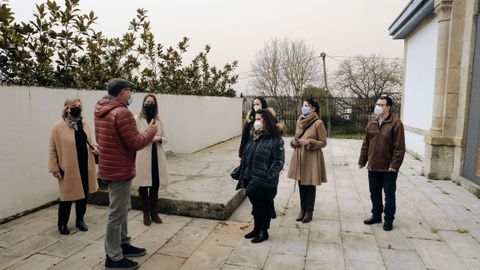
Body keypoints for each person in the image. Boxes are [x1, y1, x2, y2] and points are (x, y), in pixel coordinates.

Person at [95, 78, 158, 270]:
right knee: (117, 214)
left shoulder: (101, 110)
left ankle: (123, 244)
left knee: (122, 210)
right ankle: (113, 258)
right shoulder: (122, 113)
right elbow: (136, 142)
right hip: (120, 169)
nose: (131, 95)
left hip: (110, 167)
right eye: (129, 91)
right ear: (122, 92)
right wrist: (151, 129)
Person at [48, 98, 99, 235]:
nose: (77, 108)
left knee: (83, 195)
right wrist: (54, 168)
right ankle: (62, 223)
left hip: (85, 165)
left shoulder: (84, 124)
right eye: (74, 106)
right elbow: (52, 149)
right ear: (66, 108)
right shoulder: (57, 127)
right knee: (67, 196)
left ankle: (80, 220)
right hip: (68, 167)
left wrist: (94, 148)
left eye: (79, 106)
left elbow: (90, 142)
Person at [358, 95, 405, 231]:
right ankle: (376, 215)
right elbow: (366, 143)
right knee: (374, 192)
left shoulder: (396, 123)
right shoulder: (372, 122)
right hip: (373, 165)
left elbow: (400, 147)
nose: (377, 107)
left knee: (389, 194)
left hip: (388, 168)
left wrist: (394, 166)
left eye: (381, 105)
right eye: (377, 104)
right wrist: (362, 160)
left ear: (388, 107)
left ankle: (388, 219)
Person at [238, 109, 284, 243]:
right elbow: (248, 154)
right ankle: (256, 228)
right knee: (256, 206)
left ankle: (264, 232)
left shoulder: (276, 140)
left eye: (259, 119)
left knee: (264, 206)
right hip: (250, 177)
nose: (256, 122)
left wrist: (268, 177)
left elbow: (279, 162)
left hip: (264, 180)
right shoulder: (255, 136)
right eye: (256, 119)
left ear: (267, 122)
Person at [287, 98, 327, 223]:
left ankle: (309, 211)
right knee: (301, 185)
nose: (303, 107)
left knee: (309, 185)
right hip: (299, 156)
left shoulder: (318, 123)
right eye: (303, 105)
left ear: (313, 108)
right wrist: (294, 142)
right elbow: (295, 136)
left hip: (311, 158)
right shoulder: (299, 120)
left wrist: (309, 142)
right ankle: (302, 209)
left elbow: (323, 142)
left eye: (306, 105)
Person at [133, 94, 169, 226]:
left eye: (152, 102)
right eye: (147, 102)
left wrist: (159, 139)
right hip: (143, 155)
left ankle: (155, 213)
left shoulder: (158, 121)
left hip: (156, 155)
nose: (149, 104)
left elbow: (165, 138)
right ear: (143, 103)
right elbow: (134, 136)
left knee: (155, 186)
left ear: (155, 105)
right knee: (143, 186)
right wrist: (148, 137)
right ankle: (145, 214)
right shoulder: (136, 119)